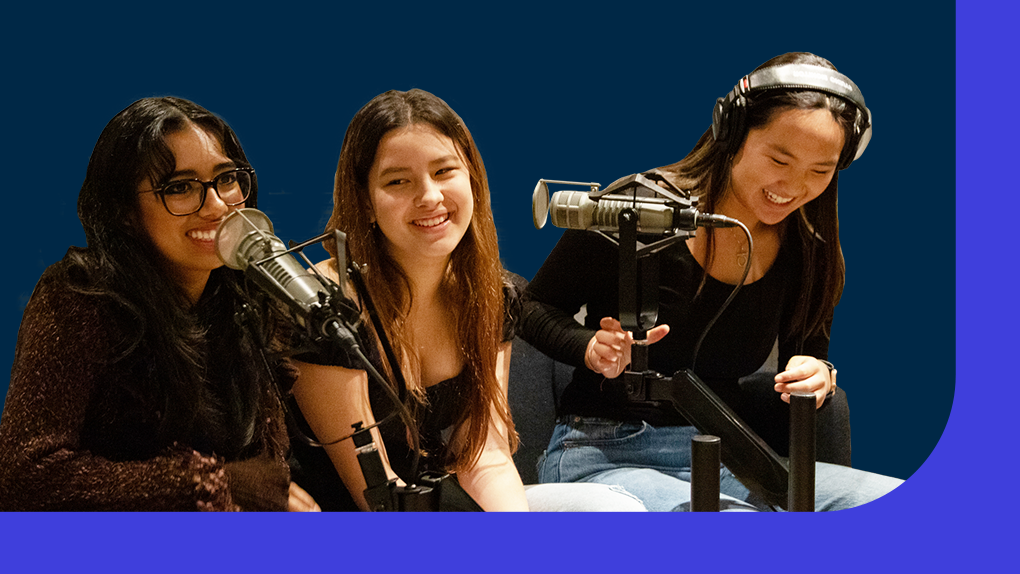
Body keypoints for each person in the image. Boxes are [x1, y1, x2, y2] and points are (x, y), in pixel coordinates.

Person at [521, 52, 903, 511]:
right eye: (779, 159)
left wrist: (819, 374)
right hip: (604, 452)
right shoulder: (641, 211)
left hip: (729, 458)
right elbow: (529, 307)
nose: (794, 185)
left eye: (819, 171)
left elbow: (808, 355)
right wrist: (587, 346)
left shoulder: (807, 247)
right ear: (733, 132)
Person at [288, 89, 645, 511]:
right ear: (365, 201)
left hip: (436, 504)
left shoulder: (492, 294)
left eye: (444, 171)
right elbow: (373, 494)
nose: (429, 196)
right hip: (355, 518)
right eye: (397, 181)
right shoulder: (325, 306)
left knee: (611, 512)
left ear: (471, 179)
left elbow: (485, 455)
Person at [0, 97, 317, 511]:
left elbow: (268, 468)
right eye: (180, 188)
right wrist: (207, 485)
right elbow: (26, 474)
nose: (218, 206)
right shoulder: (80, 296)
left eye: (227, 178)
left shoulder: (242, 295)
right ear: (125, 212)